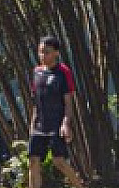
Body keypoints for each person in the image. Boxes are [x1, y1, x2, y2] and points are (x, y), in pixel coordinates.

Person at [27, 36, 85, 188]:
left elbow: (68, 102)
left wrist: (66, 123)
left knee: (59, 162)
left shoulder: (63, 72)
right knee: (33, 162)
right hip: (39, 125)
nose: (42, 55)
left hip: (56, 124)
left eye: (46, 52)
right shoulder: (36, 72)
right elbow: (36, 102)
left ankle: (79, 185)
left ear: (56, 53)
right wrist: (32, 125)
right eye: (40, 52)